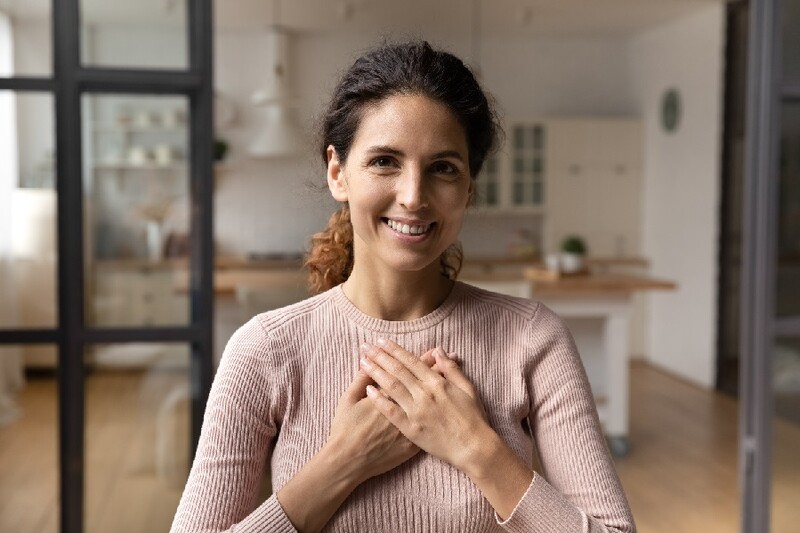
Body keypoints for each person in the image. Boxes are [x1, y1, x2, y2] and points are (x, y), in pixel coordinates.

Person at [171, 40, 636, 533]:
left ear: (469, 189)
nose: (413, 196)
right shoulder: (263, 351)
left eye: (443, 168)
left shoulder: (533, 339)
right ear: (338, 172)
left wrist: (476, 448)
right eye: (384, 161)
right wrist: (342, 463)